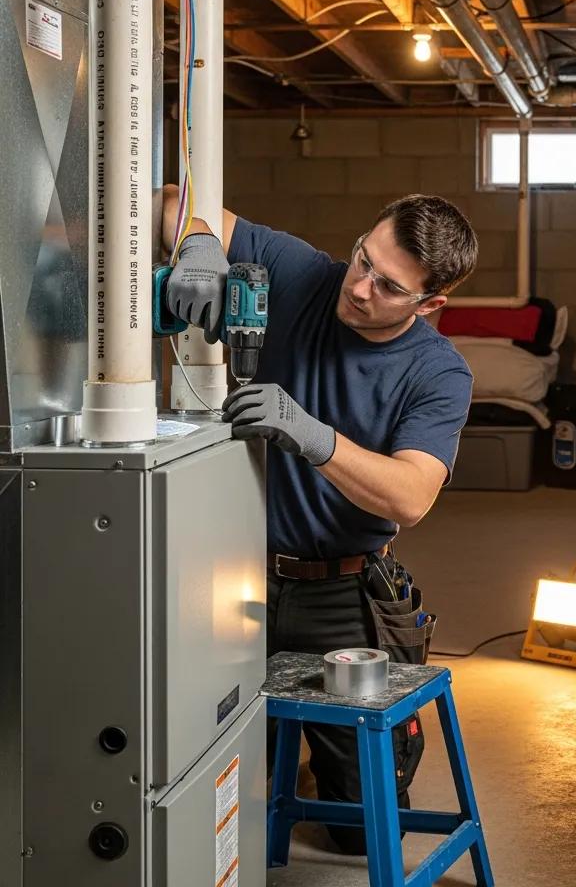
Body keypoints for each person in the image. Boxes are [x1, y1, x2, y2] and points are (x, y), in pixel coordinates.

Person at [160, 187, 477, 853]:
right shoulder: (306, 273)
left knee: (356, 830)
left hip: (344, 591)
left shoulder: (437, 372)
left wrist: (313, 436)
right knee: (214, 769)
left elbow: (412, 496)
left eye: (389, 287)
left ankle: (330, 770)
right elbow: (174, 199)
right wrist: (195, 244)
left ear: (430, 304)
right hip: (236, 571)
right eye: (364, 258)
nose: (360, 287)